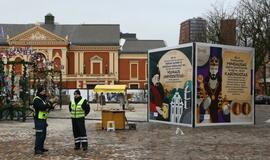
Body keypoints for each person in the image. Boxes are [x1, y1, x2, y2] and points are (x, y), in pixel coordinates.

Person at [33, 85, 53, 155]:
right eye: (43, 91)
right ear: (40, 92)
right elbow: (42, 107)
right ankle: (37, 149)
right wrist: (49, 103)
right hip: (38, 119)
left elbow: (47, 107)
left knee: (43, 135)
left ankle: (41, 147)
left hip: (43, 119)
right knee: (39, 134)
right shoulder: (37, 99)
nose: (44, 92)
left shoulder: (43, 99)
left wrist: (51, 105)